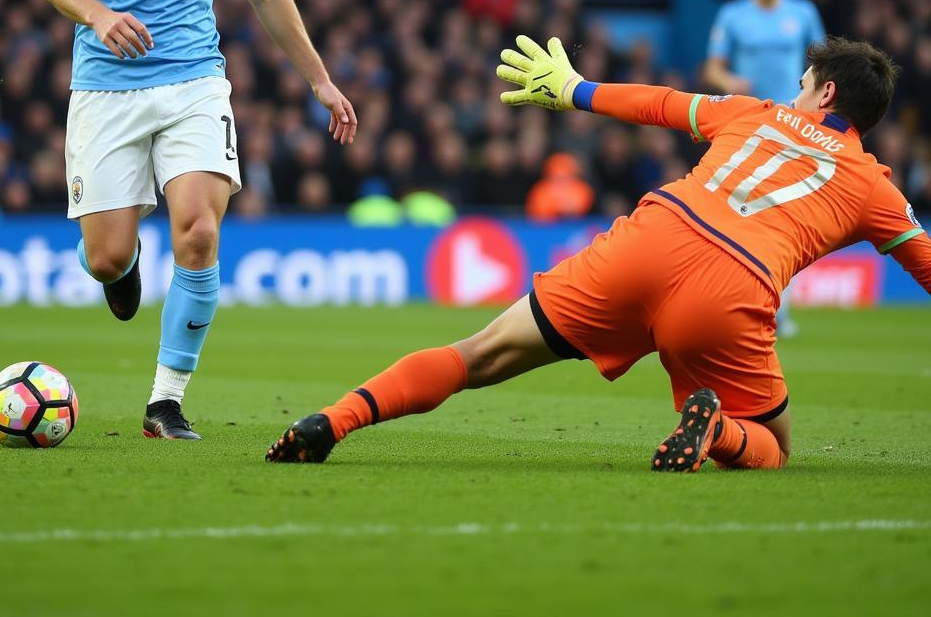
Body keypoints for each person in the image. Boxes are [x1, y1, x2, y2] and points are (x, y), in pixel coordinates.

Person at [266, 34, 929, 471]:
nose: (796, 96)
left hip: (651, 239)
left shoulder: (753, 113)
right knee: (773, 447)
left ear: (828, 94)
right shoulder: (874, 187)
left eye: (805, 86)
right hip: (732, 290)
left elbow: (662, 104)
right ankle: (718, 431)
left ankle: (337, 418)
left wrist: (573, 89)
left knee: (480, 353)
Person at [42, 0, 357, 440]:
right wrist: (98, 14)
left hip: (194, 81)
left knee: (200, 230)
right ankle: (121, 275)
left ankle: (165, 402)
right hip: (106, 86)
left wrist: (321, 81)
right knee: (109, 256)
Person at [704, 0, 826, 335]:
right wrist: (729, 84)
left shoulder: (803, 12)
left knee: (787, 214)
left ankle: (779, 308)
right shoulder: (732, 15)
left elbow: (825, 65)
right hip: (750, 123)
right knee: (738, 210)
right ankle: (735, 301)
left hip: (797, 125)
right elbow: (713, 68)